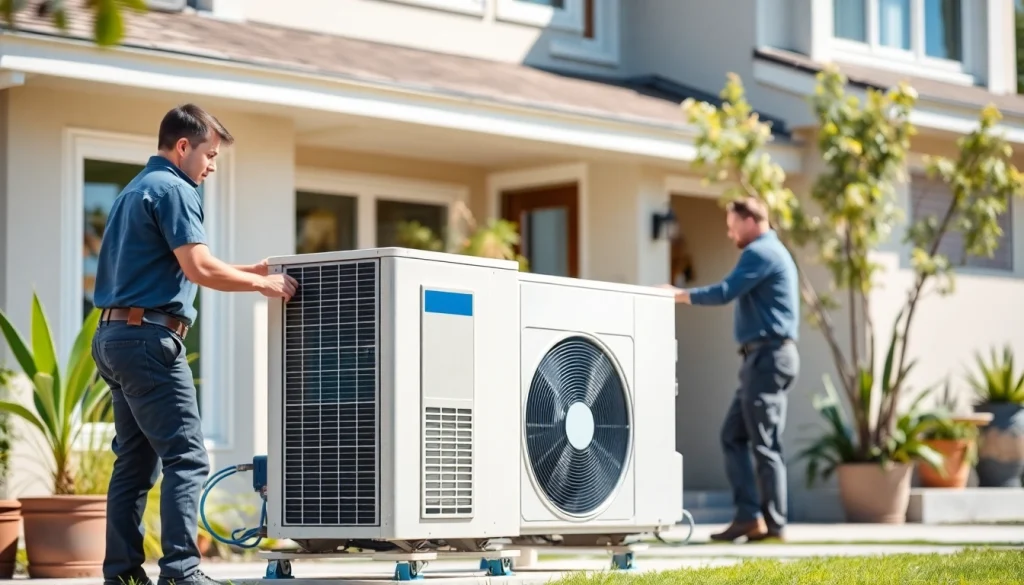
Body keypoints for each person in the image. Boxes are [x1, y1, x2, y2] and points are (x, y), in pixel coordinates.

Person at [91, 104, 298, 585]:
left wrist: (253, 270)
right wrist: (262, 287)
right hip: (149, 341)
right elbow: (199, 269)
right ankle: (181, 572)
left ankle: (122, 574)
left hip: (115, 337)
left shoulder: (134, 191)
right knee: (187, 456)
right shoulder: (175, 189)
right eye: (209, 154)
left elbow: (186, 261)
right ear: (182, 146)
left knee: (136, 462)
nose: (211, 166)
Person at [662, 196, 799, 542]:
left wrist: (678, 295)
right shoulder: (771, 251)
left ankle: (774, 524)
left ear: (750, 220)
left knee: (764, 443)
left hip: (768, 357)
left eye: (732, 224)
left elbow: (725, 292)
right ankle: (749, 517)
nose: (728, 233)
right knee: (734, 435)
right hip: (763, 358)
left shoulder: (761, 252)